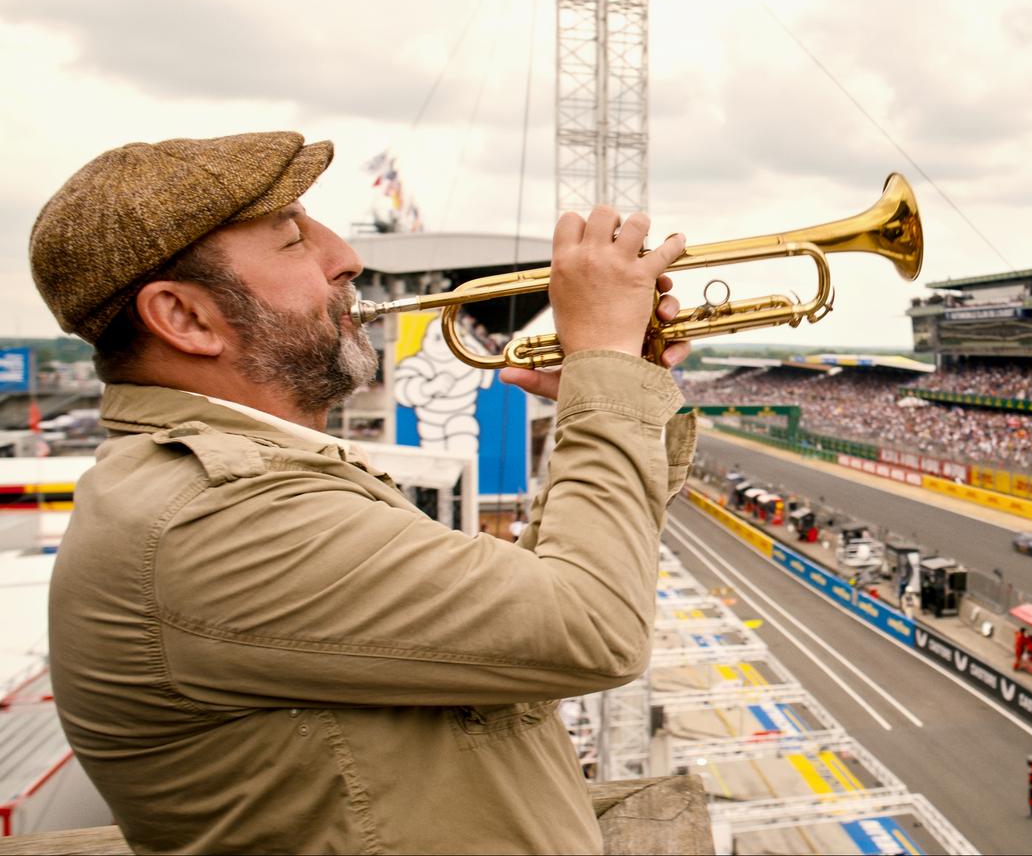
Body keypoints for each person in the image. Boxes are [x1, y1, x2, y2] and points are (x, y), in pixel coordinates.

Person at [32, 132, 697, 854]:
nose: (345, 257)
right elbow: (591, 627)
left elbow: (525, 646)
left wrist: (624, 391)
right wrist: (603, 367)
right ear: (186, 318)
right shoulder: (214, 516)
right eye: (293, 240)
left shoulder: (248, 486)